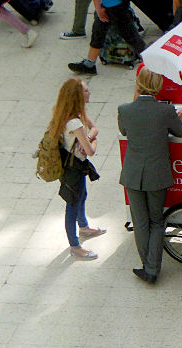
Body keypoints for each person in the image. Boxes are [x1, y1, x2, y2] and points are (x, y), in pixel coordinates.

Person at [118, 67, 182, 284]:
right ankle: (152, 267)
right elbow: (181, 132)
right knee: (157, 221)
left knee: (140, 222)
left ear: (138, 84)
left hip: (132, 173)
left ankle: (147, 266)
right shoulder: (165, 111)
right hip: (157, 174)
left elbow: (124, 131)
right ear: (158, 86)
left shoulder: (125, 109)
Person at [47, 78, 106, 259]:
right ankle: (75, 246)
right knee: (72, 204)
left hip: (71, 164)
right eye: (86, 91)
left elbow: (94, 127)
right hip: (73, 167)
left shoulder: (71, 114)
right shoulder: (75, 123)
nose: (90, 93)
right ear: (78, 96)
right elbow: (90, 151)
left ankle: (84, 226)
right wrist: (91, 141)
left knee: (82, 196)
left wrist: (88, 136)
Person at [68, 0, 146, 75]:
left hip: (112, 5)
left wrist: (98, 9)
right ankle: (90, 63)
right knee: (99, 31)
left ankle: (150, 59)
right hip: (112, 4)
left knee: (130, 35)